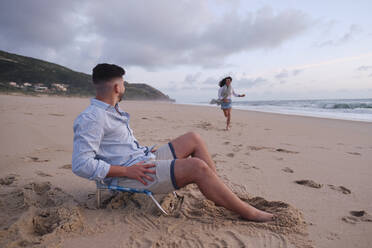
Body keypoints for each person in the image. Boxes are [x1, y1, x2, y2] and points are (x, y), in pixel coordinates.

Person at [72, 64, 273, 222]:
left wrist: (144, 152)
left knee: (193, 138)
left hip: (143, 160)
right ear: (117, 87)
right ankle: (249, 213)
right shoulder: (92, 118)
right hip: (131, 174)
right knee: (197, 167)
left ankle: (220, 191)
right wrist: (126, 171)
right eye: (123, 83)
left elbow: (117, 148)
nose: (124, 87)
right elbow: (81, 164)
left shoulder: (111, 110)